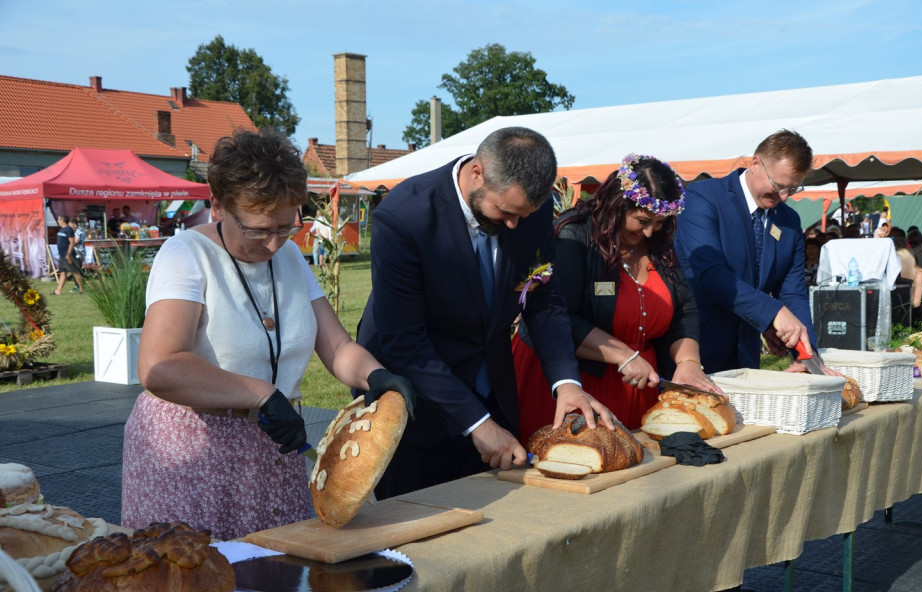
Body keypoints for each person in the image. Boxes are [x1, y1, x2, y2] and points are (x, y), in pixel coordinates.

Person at [121, 127, 414, 541]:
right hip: (193, 453)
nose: (275, 244)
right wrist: (259, 393)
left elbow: (338, 346)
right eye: (259, 230)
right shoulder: (186, 255)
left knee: (281, 586)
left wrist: (376, 376)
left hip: (272, 449)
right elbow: (159, 366)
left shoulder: (290, 255)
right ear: (218, 207)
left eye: (286, 226)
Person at [356, 126, 614, 500]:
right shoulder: (404, 216)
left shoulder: (530, 214)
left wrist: (566, 381)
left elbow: (542, 300)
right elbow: (404, 340)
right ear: (477, 172)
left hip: (491, 387)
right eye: (505, 212)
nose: (513, 225)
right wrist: (476, 421)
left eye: (523, 216)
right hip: (417, 403)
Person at [512, 154, 718, 438]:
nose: (649, 232)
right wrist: (623, 355)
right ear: (618, 204)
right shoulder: (574, 236)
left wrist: (688, 363)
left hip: (637, 387)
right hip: (572, 384)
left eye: (659, 223)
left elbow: (686, 308)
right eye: (643, 220)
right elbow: (554, 317)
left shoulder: (658, 244)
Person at [674, 129, 832, 374]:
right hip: (694, 351)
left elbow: (794, 294)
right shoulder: (703, 199)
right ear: (755, 163)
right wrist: (773, 312)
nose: (784, 196)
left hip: (745, 359)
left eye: (793, 189)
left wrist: (806, 354)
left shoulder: (789, 221)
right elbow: (710, 274)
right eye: (778, 185)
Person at [53, 215, 84, 294]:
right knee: (63, 272)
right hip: (62, 255)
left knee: (74, 271)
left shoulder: (68, 229)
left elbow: (72, 242)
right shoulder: (62, 230)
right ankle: (58, 291)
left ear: (62, 220)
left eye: (59, 220)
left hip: (68, 255)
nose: (58, 221)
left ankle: (82, 289)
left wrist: (69, 254)